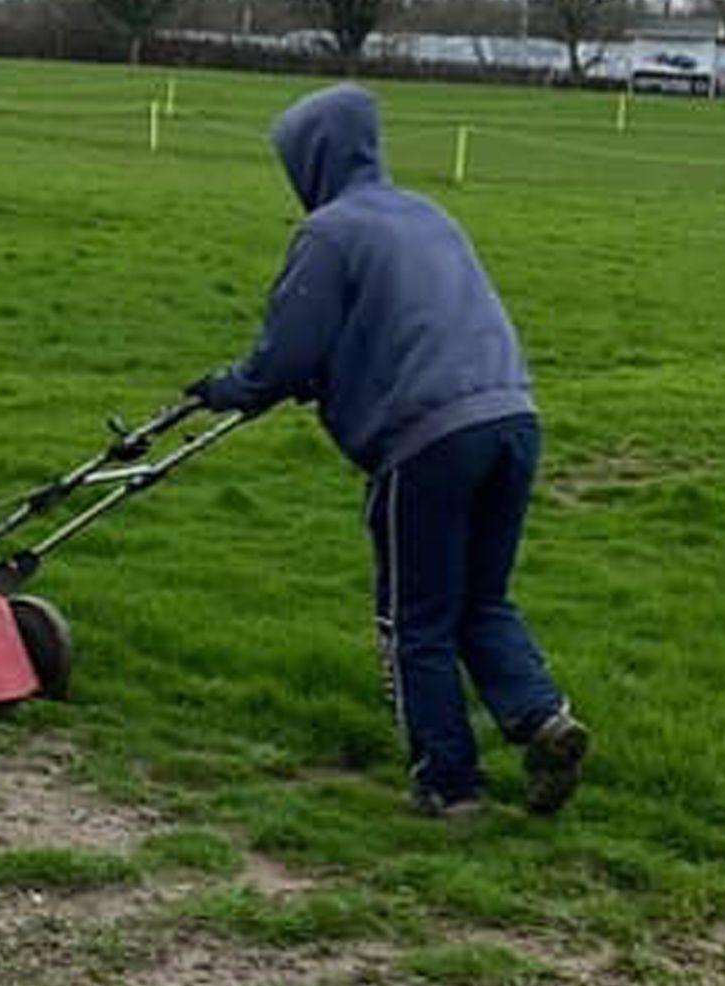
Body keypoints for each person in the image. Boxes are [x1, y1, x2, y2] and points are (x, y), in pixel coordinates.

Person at [186, 83, 589, 820]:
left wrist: (227, 389)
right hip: (512, 417)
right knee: (481, 597)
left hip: (429, 438)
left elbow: (286, 353)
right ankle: (541, 718)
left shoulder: (330, 232)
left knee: (417, 619)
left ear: (311, 161)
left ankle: (448, 783)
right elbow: (410, 322)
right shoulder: (428, 214)